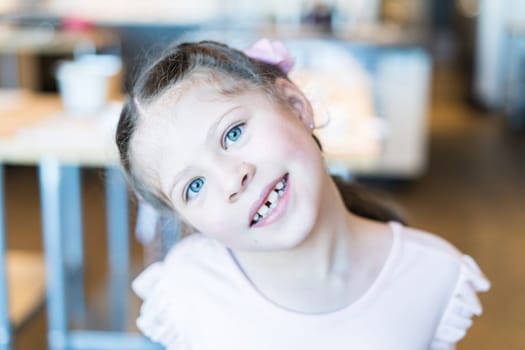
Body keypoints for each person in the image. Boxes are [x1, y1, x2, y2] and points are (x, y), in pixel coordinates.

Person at [116, 38, 490, 350]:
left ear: (296, 106)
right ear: (186, 220)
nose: (232, 180)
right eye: (194, 186)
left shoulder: (435, 276)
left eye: (233, 133)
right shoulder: (183, 292)